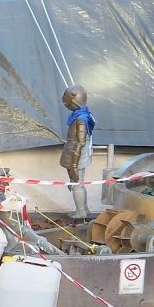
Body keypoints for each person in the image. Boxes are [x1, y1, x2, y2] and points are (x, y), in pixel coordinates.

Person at [59, 84, 94, 220]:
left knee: (76, 185)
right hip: (73, 152)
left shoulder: (80, 119)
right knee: (77, 184)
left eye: (68, 101)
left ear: (74, 100)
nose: (65, 104)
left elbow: (80, 143)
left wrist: (74, 165)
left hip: (76, 155)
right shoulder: (82, 114)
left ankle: (81, 212)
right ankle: (83, 208)